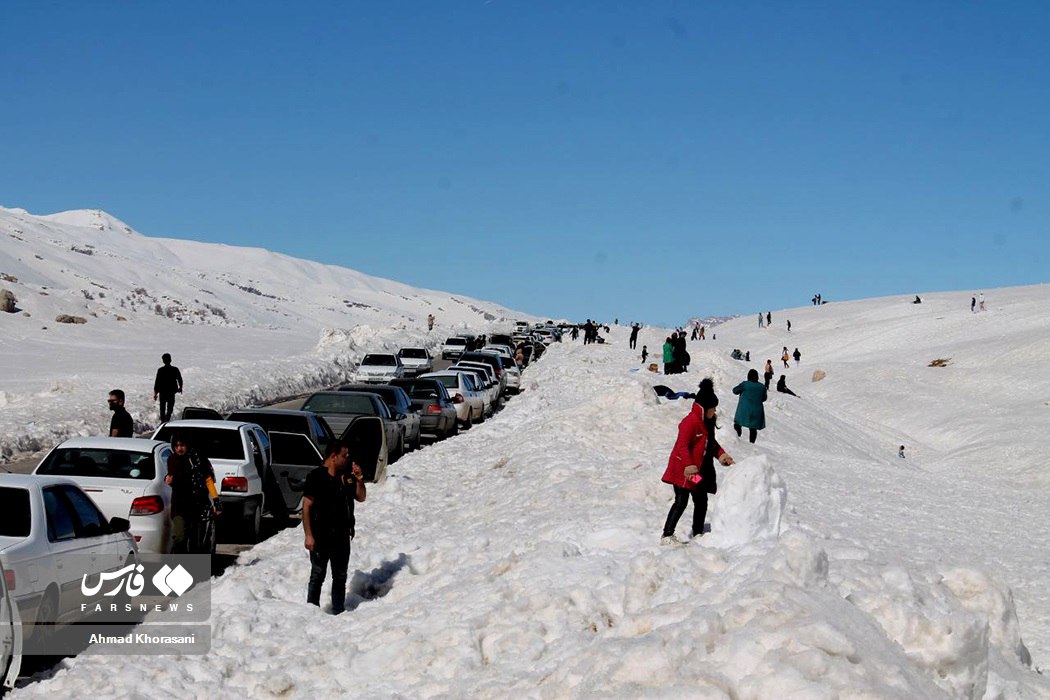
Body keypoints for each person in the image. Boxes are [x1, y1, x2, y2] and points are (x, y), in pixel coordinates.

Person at [660, 378, 734, 544]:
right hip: (682, 470)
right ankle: (667, 535)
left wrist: (723, 455)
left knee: (701, 498)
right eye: (713, 408)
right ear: (704, 407)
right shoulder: (690, 422)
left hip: (693, 472)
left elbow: (711, 444)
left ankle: (698, 531)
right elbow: (681, 445)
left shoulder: (705, 423)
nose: (714, 411)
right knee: (681, 501)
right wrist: (689, 465)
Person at [303, 441, 366, 615]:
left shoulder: (347, 476)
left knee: (340, 576)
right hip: (320, 535)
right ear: (333, 457)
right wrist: (309, 535)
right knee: (317, 575)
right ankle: (311, 612)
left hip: (342, 536)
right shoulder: (316, 477)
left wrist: (359, 479)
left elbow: (361, 498)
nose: (348, 459)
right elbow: (306, 507)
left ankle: (338, 610)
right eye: (344, 456)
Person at [165, 433, 220, 554]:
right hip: (179, 506)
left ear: (188, 445)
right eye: (177, 446)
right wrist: (168, 479)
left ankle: (193, 567)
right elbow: (172, 475)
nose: (179, 448)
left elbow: (208, 480)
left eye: (182, 445)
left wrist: (216, 500)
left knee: (196, 540)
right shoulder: (172, 459)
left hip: (196, 507)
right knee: (180, 536)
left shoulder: (198, 460)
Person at [732, 369, 767, 444]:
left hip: (744, 409)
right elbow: (764, 398)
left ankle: (737, 438)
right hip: (757, 410)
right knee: (753, 429)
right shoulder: (762, 387)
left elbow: (735, 391)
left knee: (738, 423)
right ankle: (752, 443)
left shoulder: (745, 384)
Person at [153, 353, 184, 423]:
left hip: (163, 392)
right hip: (171, 392)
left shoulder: (160, 370)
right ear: (170, 360)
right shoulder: (175, 369)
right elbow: (180, 379)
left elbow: (157, 382)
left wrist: (155, 393)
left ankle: (163, 421)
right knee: (170, 407)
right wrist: (180, 388)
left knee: (162, 408)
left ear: (163, 361)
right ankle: (167, 420)